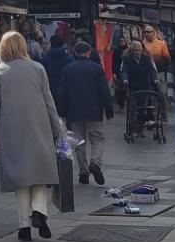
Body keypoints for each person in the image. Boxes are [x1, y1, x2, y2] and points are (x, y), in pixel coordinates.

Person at [0, 31, 62, 242]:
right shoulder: (38, 68)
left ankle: (24, 227)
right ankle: (39, 211)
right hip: (38, 127)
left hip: (11, 130)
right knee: (39, 174)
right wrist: (57, 129)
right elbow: (49, 101)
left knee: (21, 179)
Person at [56, 41, 113, 185]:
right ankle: (95, 162)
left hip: (74, 111)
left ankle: (83, 172)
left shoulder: (68, 69)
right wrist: (109, 108)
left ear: (75, 52)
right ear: (89, 52)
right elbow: (104, 91)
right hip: (94, 110)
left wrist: (61, 111)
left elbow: (62, 92)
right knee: (98, 139)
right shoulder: (97, 69)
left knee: (78, 142)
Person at [41, 36, 74, 107]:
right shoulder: (70, 58)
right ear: (63, 44)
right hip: (66, 90)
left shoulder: (44, 59)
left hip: (50, 90)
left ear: (51, 44)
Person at [111, 37, 129, 111]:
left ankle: (124, 104)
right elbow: (114, 63)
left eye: (123, 41)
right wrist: (114, 73)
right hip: (118, 72)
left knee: (125, 89)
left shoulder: (128, 51)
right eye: (120, 41)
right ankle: (120, 104)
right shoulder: (116, 51)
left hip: (126, 72)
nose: (121, 42)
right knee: (118, 89)